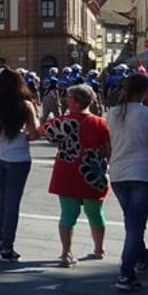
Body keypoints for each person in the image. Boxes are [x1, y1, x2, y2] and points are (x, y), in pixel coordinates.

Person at [0, 69, 41, 262]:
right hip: (19, 157)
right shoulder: (26, 105)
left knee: (1, 198)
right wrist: (23, 136)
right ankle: (8, 248)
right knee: (13, 203)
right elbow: (35, 134)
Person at [42, 84, 109, 267]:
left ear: (76, 102)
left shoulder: (62, 122)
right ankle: (99, 249)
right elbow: (108, 150)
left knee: (68, 215)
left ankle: (66, 253)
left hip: (68, 173)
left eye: (69, 97)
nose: (65, 99)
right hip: (93, 175)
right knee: (96, 214)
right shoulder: (101, 123)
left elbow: (43, 131)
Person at [105, 73, 148, 291]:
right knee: (135, 226)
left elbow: (109, 143)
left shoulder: (112, 113)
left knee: (132, 223)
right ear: (146, 91)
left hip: (118, 173)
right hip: (143, 173)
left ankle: (144, 256)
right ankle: (126, 274)